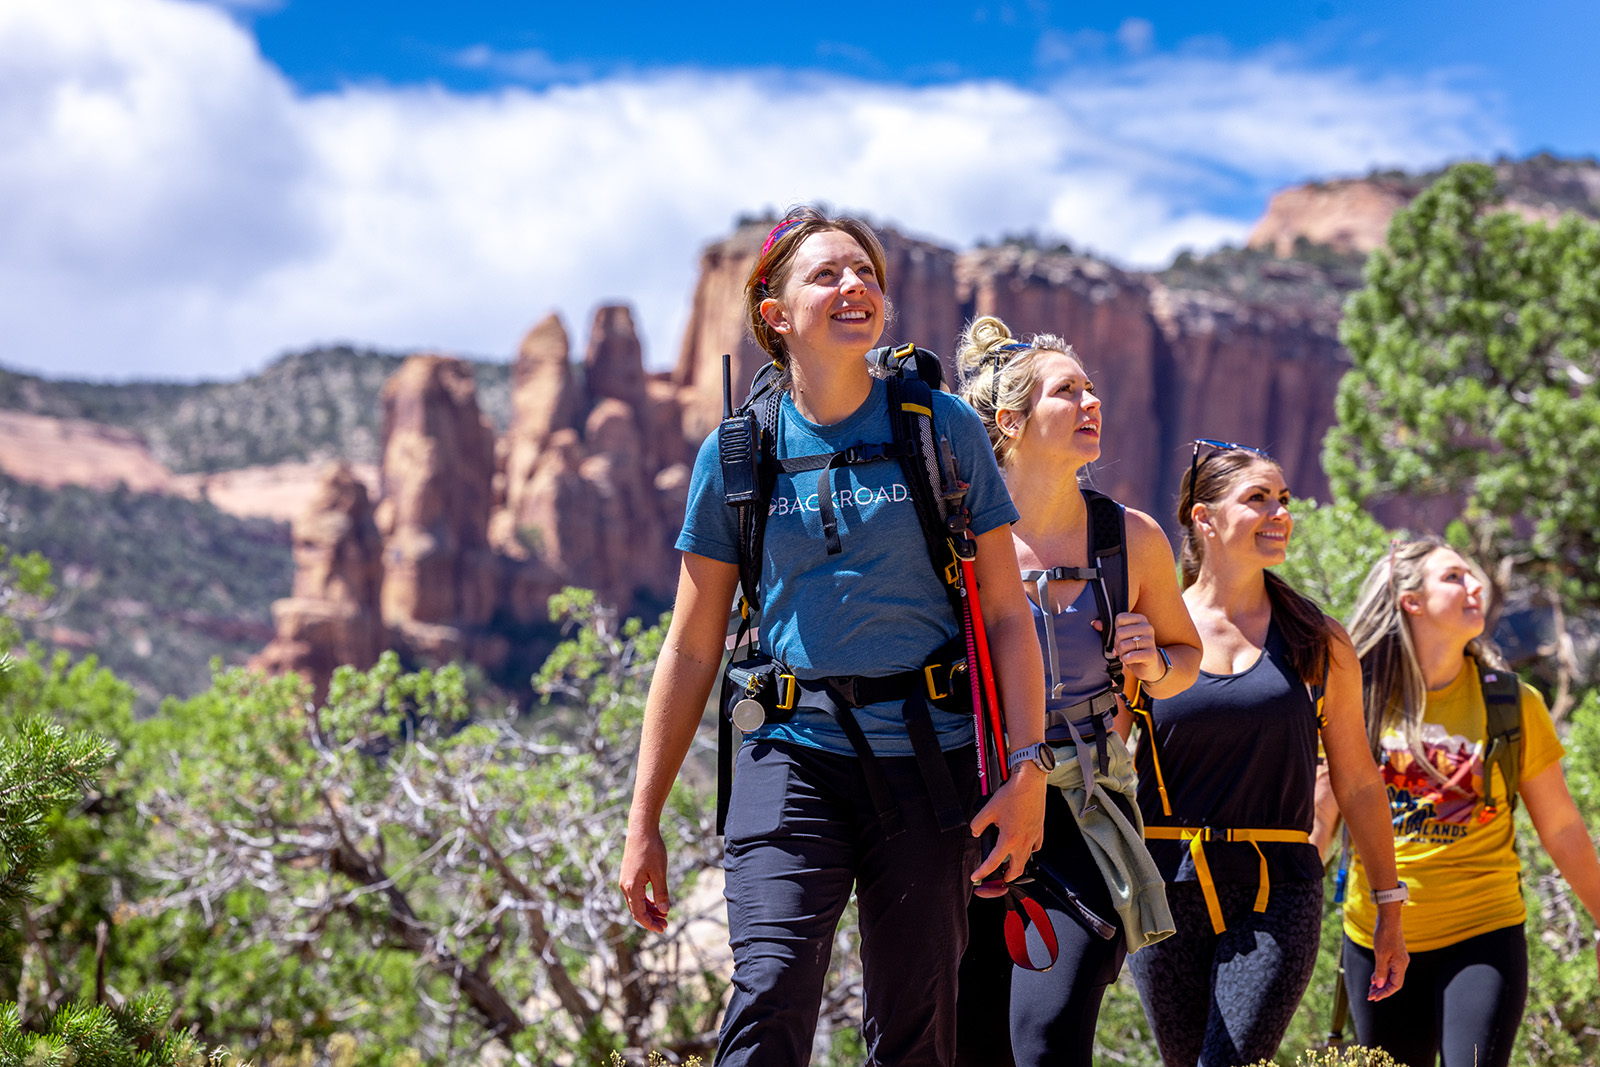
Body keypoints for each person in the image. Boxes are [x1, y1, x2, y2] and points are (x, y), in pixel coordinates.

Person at [618, 207, 1049, 1067]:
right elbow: (692, 645)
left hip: (927, 759)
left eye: (866, 273)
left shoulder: (941, 426)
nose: (855, 286)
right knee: (769, 991)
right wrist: (644, 820)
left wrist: (1029, 769)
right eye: (827, 275)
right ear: (774, 314)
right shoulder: (737, 455)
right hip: (787, 754)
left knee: (916, 1022)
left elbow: (1007, 611)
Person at [950, 316, 1201, 1067]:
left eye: (1093, 389)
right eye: (1069, 391)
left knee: (1050, 1036)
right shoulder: (955, 534)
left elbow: (1187, 656)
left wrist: (1154, 664)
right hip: (971, 804)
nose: (1092, 402)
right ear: (1011, 422)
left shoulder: (1131, 538)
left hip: (1088, 809)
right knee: (971, 1039)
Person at [1126, 441, 1407, 1067]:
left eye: (1282, 499)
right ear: (1203, 517)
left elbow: (1359, 783)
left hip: (1278, 888)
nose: (1280, 512)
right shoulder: (1149, 632)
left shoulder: (1316, 638)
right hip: (1163, 888)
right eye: (1258, 498)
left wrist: (1390, 905)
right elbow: (1105, 759)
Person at [1340, 538, 1600, 1067]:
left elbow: (1563, 828)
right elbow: (1319, 816)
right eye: (1455, 577)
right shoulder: (1356, 699)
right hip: (1376, 940)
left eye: (1474, 577)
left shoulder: (1512, 703)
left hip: (1484, 934)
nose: (1477, 586)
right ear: (1409, 600)